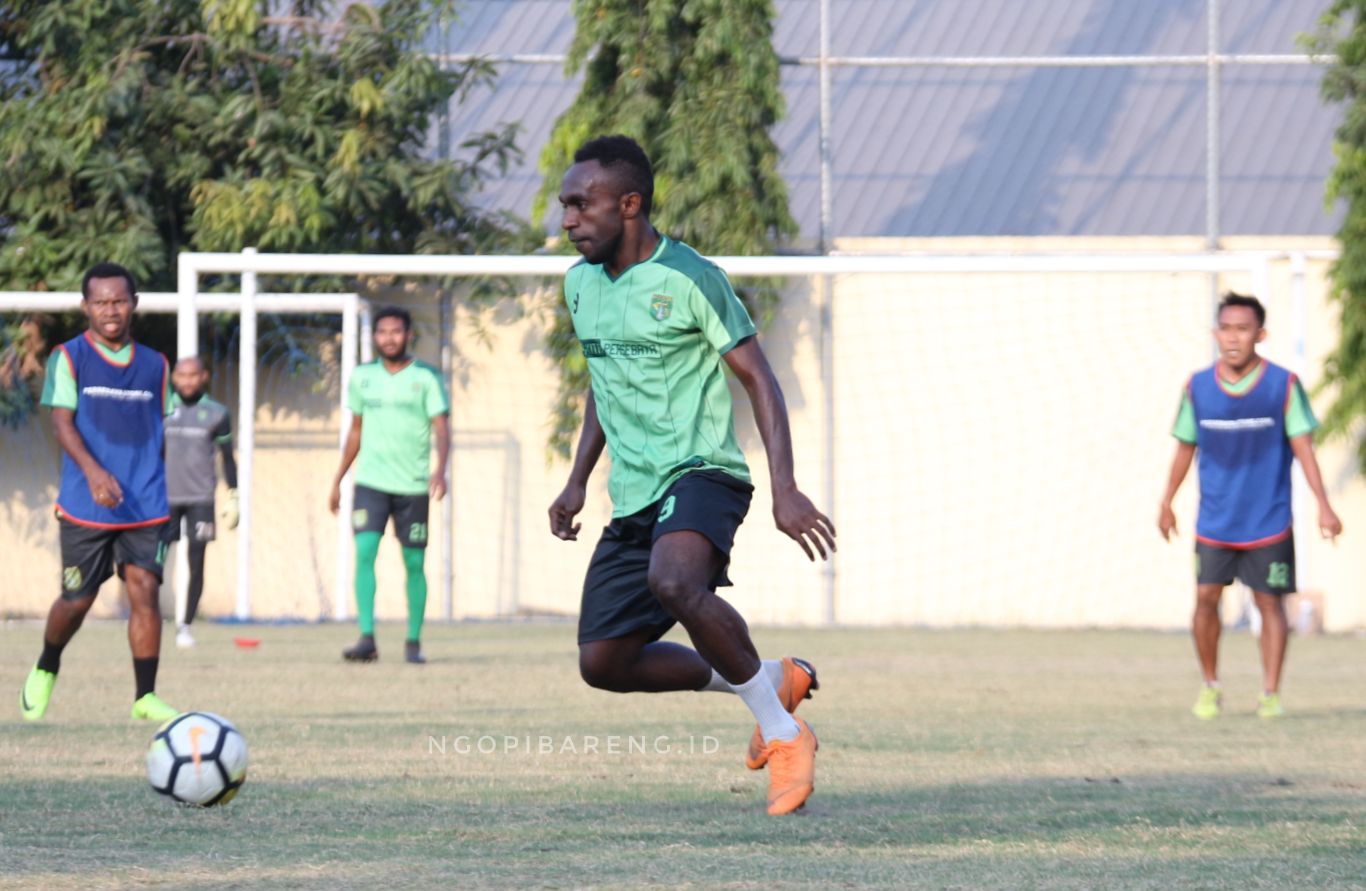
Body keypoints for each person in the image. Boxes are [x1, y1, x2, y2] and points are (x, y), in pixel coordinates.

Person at [547, 135, 836, 816]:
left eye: (580, 204)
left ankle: (784, 733)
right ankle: (768, 678)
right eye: (565, 205)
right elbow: (603, 379)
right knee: (604, 662)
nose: (567, 219)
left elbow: (759, 380)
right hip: (636, 491)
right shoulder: (579, 284)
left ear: (629, 204)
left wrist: (785, 485)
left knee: (674, 580)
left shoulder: (690, 277)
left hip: (704, 471)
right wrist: (577, 478)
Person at [1159, 292, 1342, 720]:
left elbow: (1304, 448)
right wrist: (1166, 501)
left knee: (1269, 603)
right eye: (1226, 328)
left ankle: (1270, 694)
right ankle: (1210, 686)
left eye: (1243, 329)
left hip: (1268, 518)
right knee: (1205, 598)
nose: (1233, 338)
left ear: (1260, 334)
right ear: (1215, 333)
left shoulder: (1283, 385)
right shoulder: (1198, 387)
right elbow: (1185, 448)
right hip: (1216, 521)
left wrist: (1324, 505)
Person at [20, 262, 180, 722]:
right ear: (86, 306)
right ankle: (48, 664)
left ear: (134, 304)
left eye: (119, 301)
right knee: (77, 600)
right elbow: (61, 422)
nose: (111, 310)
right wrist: (92, 472)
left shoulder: (156, 365)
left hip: (145, 504)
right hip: (86, 504)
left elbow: (159, 430)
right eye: (101, 302)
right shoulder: (69, 358)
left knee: (145, 590)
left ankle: (145, 697)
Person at [330, 307, 449, 664]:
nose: (389, 338)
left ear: (408, 335)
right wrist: (337, 478)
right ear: (375, 337)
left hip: (412, 485)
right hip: (370, 482)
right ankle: (367, 638)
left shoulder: (427, 377)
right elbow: (356, 430)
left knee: (414, 562)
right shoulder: (362, 377)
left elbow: (442, 428)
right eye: (382, 332)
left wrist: (440, 470)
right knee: (365, 552)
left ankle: (413, 642)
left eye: (396, 331)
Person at [163, 356, 239, 648]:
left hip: (200, 500)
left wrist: (234, 495)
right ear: (174, 378)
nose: (187, 381)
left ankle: (185, 625)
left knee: (196, 560)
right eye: (181, 375)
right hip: (165, 499)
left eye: (193, 375)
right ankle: (150, 618)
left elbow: (227, 457)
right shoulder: (162, 409)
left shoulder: (217, 413)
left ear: (203, 377)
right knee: (154, 560)